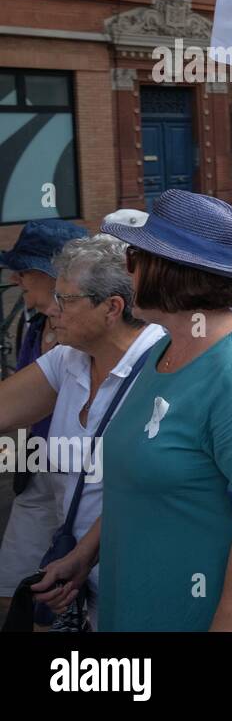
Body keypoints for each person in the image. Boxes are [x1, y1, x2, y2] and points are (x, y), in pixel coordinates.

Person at [96, 191, 232, 630]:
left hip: (222, 602)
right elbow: (141, 479)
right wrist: (84, 553)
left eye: (133, 257)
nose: (127, 269)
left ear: (169, 271)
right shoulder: (165, 346)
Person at [0, 236, 165, 630]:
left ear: (112, 307)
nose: (53, 311)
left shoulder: (163, 364)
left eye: (67, 300)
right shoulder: (69, 356)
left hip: (144, 573)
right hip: (78, 571)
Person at [0, 219, 87, 622]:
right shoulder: (35, 325)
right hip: (38, 464)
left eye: (24, 270)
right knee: (12, 581)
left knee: (69, 598)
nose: (16, 280)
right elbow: (15, 400)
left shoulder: (94, 341)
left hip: (87, 473)